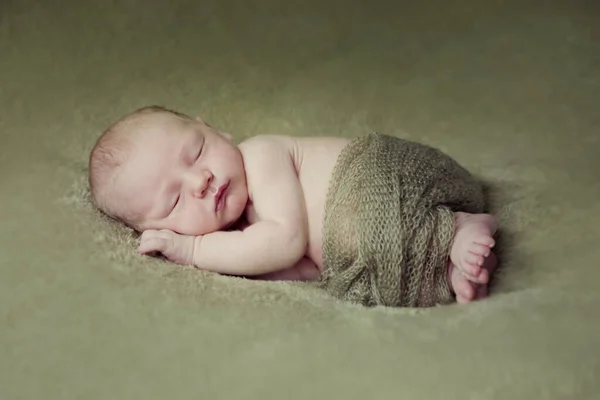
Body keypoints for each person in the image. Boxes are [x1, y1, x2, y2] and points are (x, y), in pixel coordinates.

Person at [88, 105, 498, 306]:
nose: (200, 180)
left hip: (386, 179)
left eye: (197, 152)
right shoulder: (243, 237)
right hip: (385, 241)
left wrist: (193, 251)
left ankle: (458, 224)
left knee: (379, 225)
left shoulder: (260, 155)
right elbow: (304, 268)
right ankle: (450, 266)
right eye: (175, 200)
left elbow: (286, 241)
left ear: (214, 129)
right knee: (385, 269)